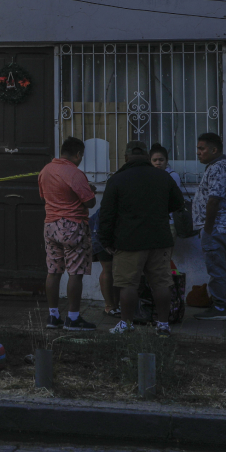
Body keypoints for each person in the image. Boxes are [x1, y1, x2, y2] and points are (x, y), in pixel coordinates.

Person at [99, 141, 184, 336]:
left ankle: (126, 324)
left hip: (128, 241)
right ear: (147, 157)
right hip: (159, 239)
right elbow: (178, 203)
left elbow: (106, 214)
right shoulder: (163, 177)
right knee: (161, 283)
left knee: (128, 284)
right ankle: (163, 325)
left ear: (126, 158)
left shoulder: (118, 179)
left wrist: (105, 241)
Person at [38, 136, 97, 331]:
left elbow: (44, 196)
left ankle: (53, 316)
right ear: (78, 154)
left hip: (50, 226)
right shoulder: (74, 173)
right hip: (73, 226)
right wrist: (90, 191)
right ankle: (73, 318)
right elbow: (89, 202)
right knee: (75, 272)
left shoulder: (45, 170)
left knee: (53, 271)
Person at [193, 132, 226, 320]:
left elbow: (213, 200)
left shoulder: (219, 168)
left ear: (214, 150)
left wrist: (207, 228)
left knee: (216, 267)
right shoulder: (215, 167)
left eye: (202, 149)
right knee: (223, 265)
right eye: (198, 149)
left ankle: (220, 307)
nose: (198, 153)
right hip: (222, 226)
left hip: (218, 227)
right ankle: (225, 304)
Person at [91, 208, 119, 317]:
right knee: (109, 269)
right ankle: (109, 306)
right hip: (101, 235)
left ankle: (115, 305)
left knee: (115, 270)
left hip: (107, 234)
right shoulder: (112, 202)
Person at [150, 143, 182, 237]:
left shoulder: (172, 176)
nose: (158, 163)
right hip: (152, 222)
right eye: (154, 160)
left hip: (169, 222)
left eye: (161, 160)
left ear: (166, 161)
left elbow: (176, 200)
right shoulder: (149, 176)